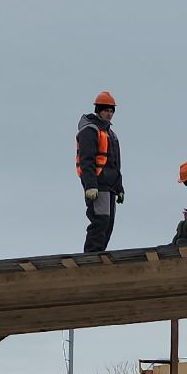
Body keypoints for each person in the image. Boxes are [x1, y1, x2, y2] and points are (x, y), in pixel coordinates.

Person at [77, 91, 123, 253]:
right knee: (100, 221)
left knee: (108, 224)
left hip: (110, 187)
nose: (109, 114)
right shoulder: (90, 131)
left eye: (111, 111)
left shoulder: (111, 134)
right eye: (106, 110)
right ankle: (91, 256)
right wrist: (90, 185)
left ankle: (99, 253)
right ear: (98, 110)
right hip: (98, 185)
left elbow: (116, 164)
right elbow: (86, 160)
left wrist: (119, 187)